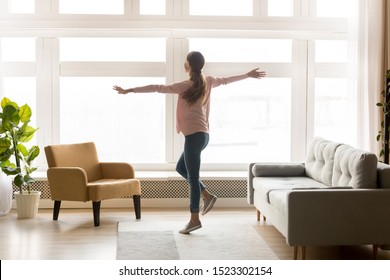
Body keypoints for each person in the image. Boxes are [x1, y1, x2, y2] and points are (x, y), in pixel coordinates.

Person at [113, 51, 266, 234]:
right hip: (202, 136)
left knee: (192, 178)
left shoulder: (186, 85)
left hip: (194, 137)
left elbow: (157, 87)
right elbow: (226, 80)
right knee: (181, 168)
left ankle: (194, 219)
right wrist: (247, 75)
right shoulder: (208, 81)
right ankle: (206, 195)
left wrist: (128, 90)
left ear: (187, 65)